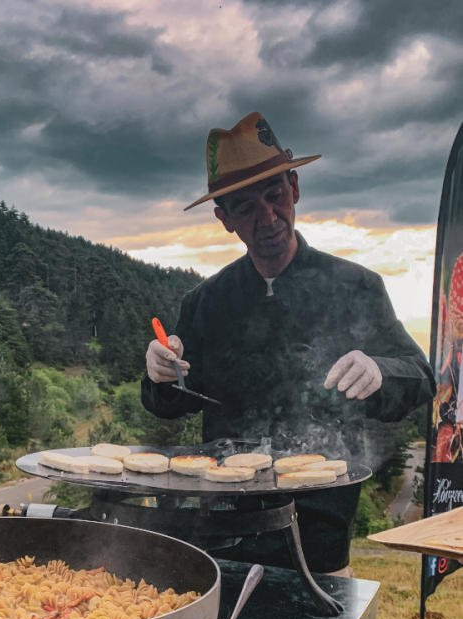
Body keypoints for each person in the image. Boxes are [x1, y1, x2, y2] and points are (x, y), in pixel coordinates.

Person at [142, 112, 435, 575]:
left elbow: (422, 379)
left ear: (294, 187)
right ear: (224, 219)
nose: (267, 217)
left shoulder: (357, 287)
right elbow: (169, 403)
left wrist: (380, 370)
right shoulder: (205, 302)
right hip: (222, 537)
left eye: (275, 195)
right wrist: (159, 371)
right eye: (245, 207)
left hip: (319, 538)